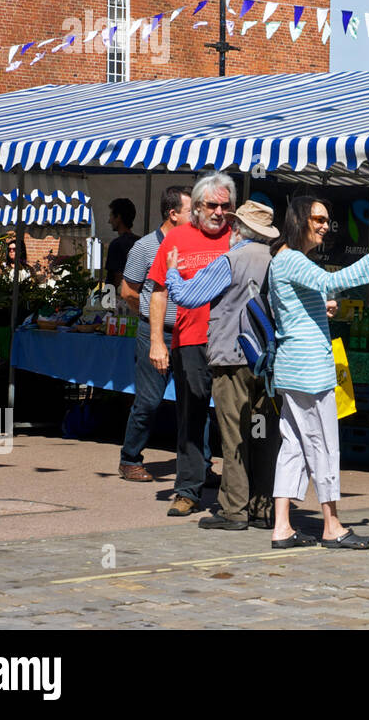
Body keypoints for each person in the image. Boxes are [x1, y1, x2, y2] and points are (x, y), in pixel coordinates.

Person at [267, 197, 369, 550]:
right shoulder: (291, 258)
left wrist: (321, 306)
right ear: (300, 218)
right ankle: (331, 525)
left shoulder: (286, 260)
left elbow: (299, 302)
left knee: (293, 447)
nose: (324, 225)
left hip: (293, 367)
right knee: (323, 444)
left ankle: (282, 527)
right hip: (309, 370)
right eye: (318, 218)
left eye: (327, 219)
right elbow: (334, 280)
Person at [165, 201, 281, 531]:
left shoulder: (232, 259)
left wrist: (173, 273)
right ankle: (262, 506)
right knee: (261, 434)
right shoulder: (274, 261)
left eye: (232, 226)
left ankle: (234, 510)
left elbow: (188, 296)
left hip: (233, 360)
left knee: (235, 435)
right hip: (266, 364)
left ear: (239, 230)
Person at [148, 173, 234, 518]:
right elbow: (158, 291)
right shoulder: (177, 238)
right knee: (191, 417)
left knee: (234, 419)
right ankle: (187, 490)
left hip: (233, 343)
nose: (218, 212)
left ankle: (237, 495)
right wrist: (157, 341)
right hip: (190, 341)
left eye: (225, 206)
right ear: (196, 207)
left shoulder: (238, 238)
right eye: (211, 205)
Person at [116, 186, 192, 482]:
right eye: (191, 211)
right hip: (155, 333)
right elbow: (127, 291)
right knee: (149, 401)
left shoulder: (193, 245)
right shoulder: (145, 247)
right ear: (173, 214)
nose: (198, 216)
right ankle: (130, 459)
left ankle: (201, 464)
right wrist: (150, 318)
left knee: (195, 401)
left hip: (189, 334)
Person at [105, 197, 139, 291]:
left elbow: (115, 278)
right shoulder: (141, 242)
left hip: (120, 299)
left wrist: (106, 300)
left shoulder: (117, 244)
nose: (109, 221)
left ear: (118, 217)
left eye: (111, 216)